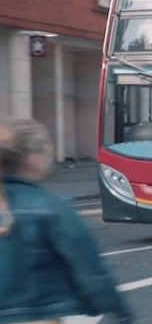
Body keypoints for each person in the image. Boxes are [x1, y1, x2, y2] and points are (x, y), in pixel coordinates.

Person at [0, 118, 134, 324]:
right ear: (34, 158)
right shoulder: (50, 207)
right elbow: (91, 271)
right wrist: (121, 314)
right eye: (47, 149)